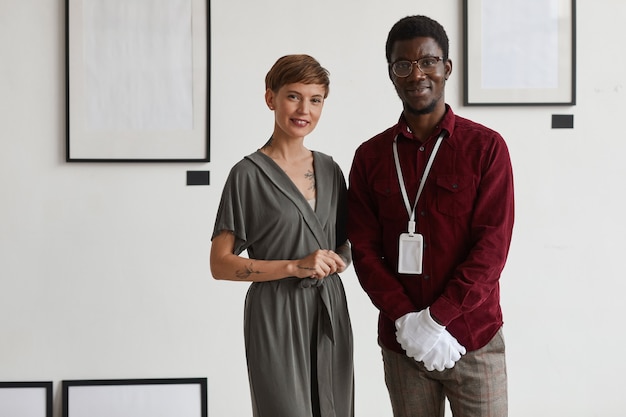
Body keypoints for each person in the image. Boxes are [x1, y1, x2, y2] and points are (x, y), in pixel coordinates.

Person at [347, 15, 514, 417]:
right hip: (402, 344)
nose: (416, 73)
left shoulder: (486, 148)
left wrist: (436, 320)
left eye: (428, 61)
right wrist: (407, 320)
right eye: (402, 64)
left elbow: (491, 249)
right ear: (391, 74)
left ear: (447, 68)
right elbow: (364, 250)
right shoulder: (370, 157)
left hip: (474, 339)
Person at [210, 54, 354, 417]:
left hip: (329, 309)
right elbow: (220, 264)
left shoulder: (330, 168)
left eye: (315, 99)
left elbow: (344, 242)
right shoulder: (247, 174)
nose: (304, 108)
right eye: (293, 96)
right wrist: (295, 266)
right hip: (275, 312)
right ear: (270, 98)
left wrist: (339, 260)